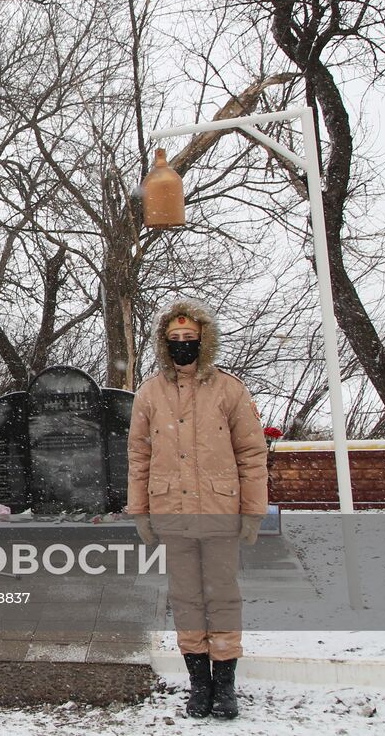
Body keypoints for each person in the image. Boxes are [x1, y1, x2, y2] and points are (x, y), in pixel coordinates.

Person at [126, 299, 268, 720]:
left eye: (190, 339)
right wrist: (140, 511)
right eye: (175, 339)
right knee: (186, 598)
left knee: (222, 596)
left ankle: (225, 685)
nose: (182, 345)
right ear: (163, 343)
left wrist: (253, 511)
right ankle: (198, 685)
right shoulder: (149, 393)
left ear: (203, 341)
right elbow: (138, 454)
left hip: (220, 510)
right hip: (172, 511)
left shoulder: (229, 389)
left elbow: (251, 453)